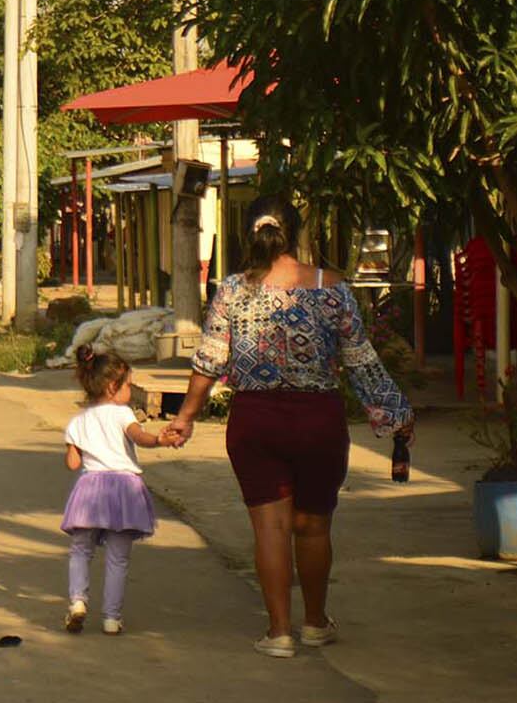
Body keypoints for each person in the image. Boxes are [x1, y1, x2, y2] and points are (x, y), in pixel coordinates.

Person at [166, 195, 413, 659]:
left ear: (248, 233)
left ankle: (279, 632)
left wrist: (185, 418)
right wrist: (395, 415)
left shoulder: (233, 291)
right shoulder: (333, 288)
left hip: (255, 421)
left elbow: (209, 362)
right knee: (314, 528)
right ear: (295, 232)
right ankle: (316, 623)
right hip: (318, 420)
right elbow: (362, 362)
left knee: (271, 530)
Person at [61, 345, 179, 636]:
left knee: (80, 550)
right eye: (128, 384)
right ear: (113, 387)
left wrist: (74, 444)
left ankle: (77, 602)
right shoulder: (123, 413)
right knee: (118, 558)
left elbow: (73, 464)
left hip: (91, 488)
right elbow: (138, 437)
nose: (130, 390)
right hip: (125, 489)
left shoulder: (78, 422)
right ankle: (112, 619)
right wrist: (159, 439)